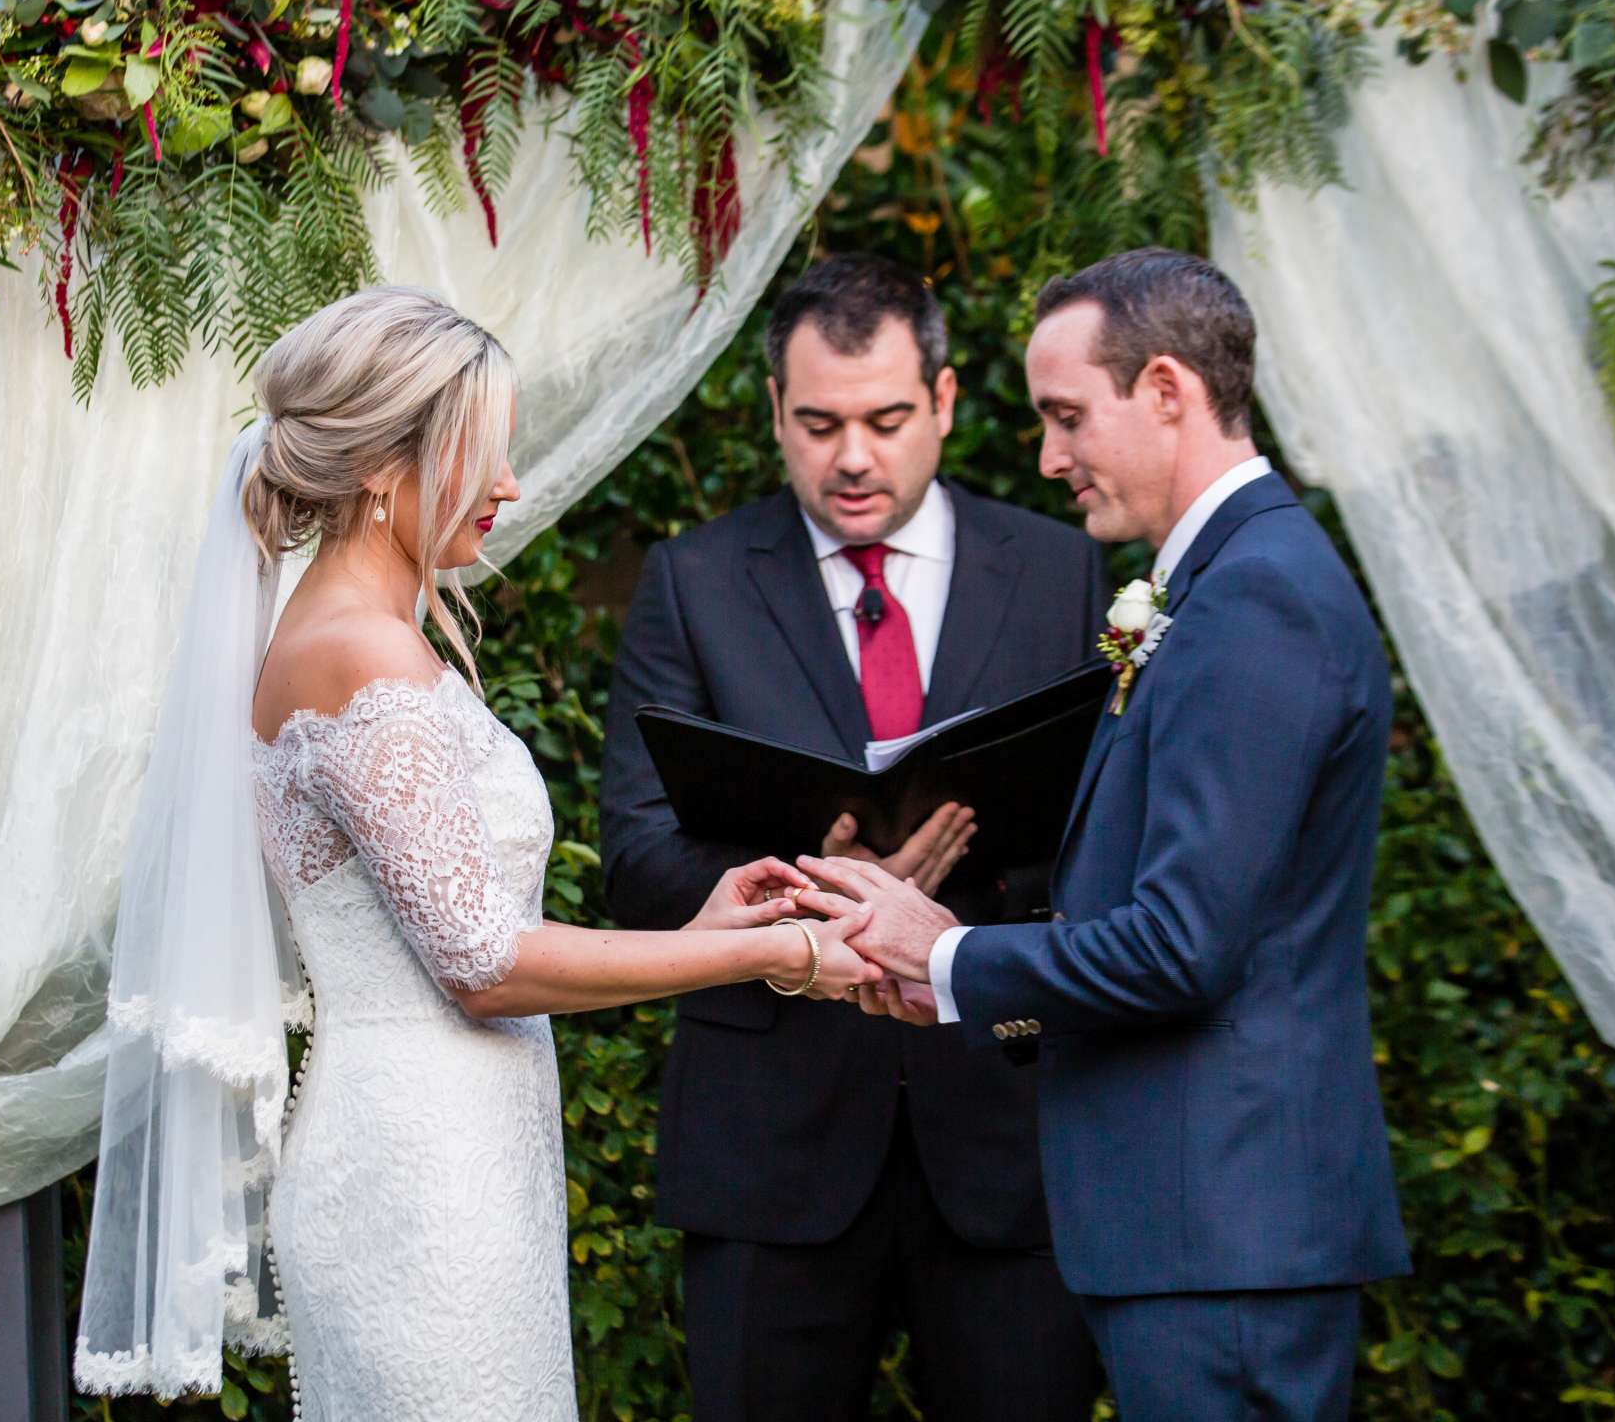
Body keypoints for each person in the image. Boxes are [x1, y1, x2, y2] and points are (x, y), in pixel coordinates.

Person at [73, 286, 974, 1422]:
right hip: (419, 1170)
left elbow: (477, 935)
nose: (508, 485)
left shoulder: (372, 637)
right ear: (387, 468)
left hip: (460, 1143)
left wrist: (701, 930)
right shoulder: (364, 656)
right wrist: (777, 952)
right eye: (480, 455)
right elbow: (482, 965)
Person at [805, 247, 1411, 1422]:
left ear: (1170, 390)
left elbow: (1183, 945)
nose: (1048, 457)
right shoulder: (1224, 586)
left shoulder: (1257, 599)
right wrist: (956, 986)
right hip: (1205, 1228)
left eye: (1067, 416)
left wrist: (942, 953)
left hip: (1225, 1232)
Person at [600, 252, 1107, 1422]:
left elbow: (1099, 836)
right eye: (819, 424)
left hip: (1000, 1134)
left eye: (885, 419)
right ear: (775, 412)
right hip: (768, 1146)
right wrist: (818, 891)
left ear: (942, 400)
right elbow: (634, 856)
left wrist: (941, 888)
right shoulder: (694, 581)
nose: (854, 458)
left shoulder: (1060, 569)